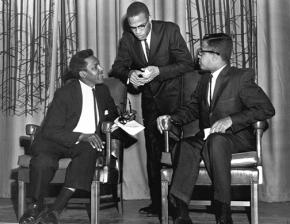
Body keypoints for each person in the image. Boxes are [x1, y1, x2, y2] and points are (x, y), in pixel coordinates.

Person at [157, 33, 275, 224]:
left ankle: (223, 209)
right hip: (207, 138)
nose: (198, 56)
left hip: (235, 139)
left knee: (216, 140)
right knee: (184, 145)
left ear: (215, 55)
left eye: (201, 52)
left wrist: (231, 120)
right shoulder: (204, 80)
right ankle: (180, 208)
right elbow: (193, 108)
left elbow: (266, 108)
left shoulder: (240, 78)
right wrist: (172, 118)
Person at [19, 49, 127, 224]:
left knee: (91, 147)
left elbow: (112, 116)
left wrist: (125, 120)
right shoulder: (65, 93)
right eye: (95, 67)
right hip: (56, 141)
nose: (101, 69)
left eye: (98, 64)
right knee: (43, 162)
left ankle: (56, 209)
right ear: (83, 74)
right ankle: (35, 207)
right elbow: (51, 130)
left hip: (85, 145)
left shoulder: (103, 91)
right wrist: (81, 135)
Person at [110, 1, 195, 216]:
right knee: (153, 152)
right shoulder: (128, 39)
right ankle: (158, 204)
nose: (137, 32)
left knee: (176, 150)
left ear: (149, 20)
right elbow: (117, 67)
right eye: (133, 27)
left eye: (141, 26)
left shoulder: (169, 30)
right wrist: (130, 75)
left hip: (177, 100)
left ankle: (177, 205)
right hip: (151, 103)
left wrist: (159, 71)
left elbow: (186, 63)